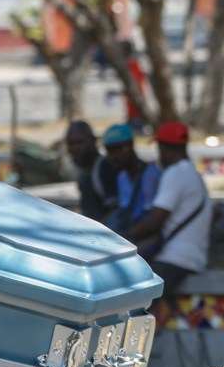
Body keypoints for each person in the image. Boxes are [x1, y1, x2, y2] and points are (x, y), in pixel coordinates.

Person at [123, 122, 213, 324]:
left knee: (132, 306)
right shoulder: (191, 173)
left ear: (165, 149)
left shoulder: (176, 173)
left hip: (176, 258)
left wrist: (122, 239)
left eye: (159, 149)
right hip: (190, 257)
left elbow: (156, 219)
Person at [102, 123, 162, 234]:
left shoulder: (151, 174)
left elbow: (151, 219)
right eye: (108, 151)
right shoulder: (122, 177)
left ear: (129, 146)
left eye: (115, 149)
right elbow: (123, 211)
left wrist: (128, 237)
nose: (111, 157)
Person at [64, 120, 121, 223]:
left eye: (79, 142)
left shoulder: (104, 168)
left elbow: (116, 211)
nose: (75, 148)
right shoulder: (84, 174)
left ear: (93, 141)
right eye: (71, 144)